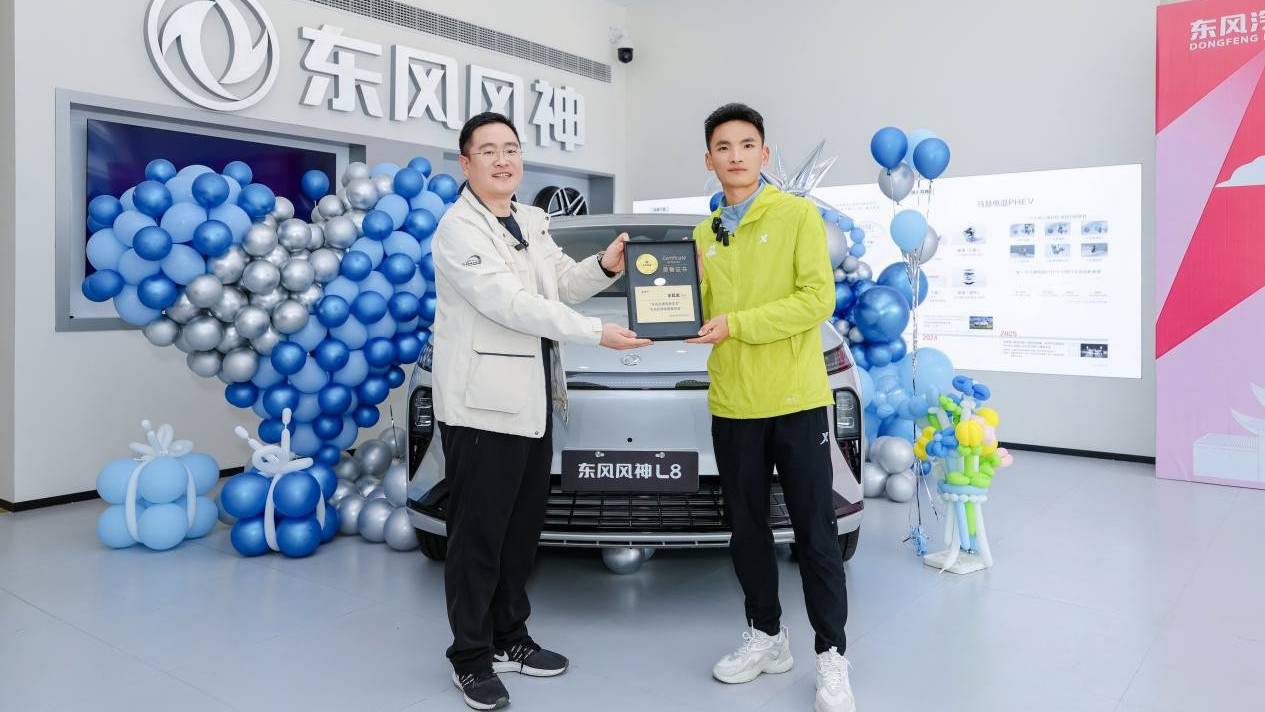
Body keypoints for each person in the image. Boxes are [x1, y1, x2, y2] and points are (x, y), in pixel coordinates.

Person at [430, 112, 651, 710]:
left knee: (520, 533)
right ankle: (470, 658)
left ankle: (510, 638)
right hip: (482, 410)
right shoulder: (458, 229)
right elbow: (511, 305)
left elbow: (561, 284)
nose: (503, 160)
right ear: (466, 163)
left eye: (511, 149)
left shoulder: (530, 219)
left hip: (533, 402)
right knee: (478, 537)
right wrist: (596, 333)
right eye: (489, 150)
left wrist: (606, 265)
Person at [686, 103, 856, 712]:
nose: (735, 156)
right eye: (723, 147)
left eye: (746, 144)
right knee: (747, 530)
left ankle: (831, 654)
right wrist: (654, 294)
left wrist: (737, 324)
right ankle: (767, 636)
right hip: (733, 402)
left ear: (764, 153)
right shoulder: (703, 235)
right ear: (708, 160)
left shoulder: (797, 215)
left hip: (795, 399)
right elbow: (693, 309)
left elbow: (816, 300)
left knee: (815, 531)